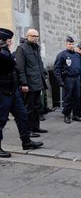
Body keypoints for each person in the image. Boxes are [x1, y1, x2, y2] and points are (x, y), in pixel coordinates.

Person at [0, 28, 43, 157]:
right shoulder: (4, 54)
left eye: (9, 41)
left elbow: (15, 69)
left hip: (13, 91)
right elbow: (8, 63)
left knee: (23, 115)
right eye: (8, 41)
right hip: (2, 93)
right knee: (0, 121)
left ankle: (26, 141)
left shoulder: (6, 52)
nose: (10, 44)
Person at [15, 29, 48, 134]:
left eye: (37, 36)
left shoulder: (36, 48)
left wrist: (44, 75)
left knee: (37, 107)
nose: (36, 38)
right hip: (29, 83)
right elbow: (20, 68)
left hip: (38, 82)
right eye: (33, 36)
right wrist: (24, 83)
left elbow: (39, 64)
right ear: (27, 36)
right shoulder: (22, 48)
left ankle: (35, 127)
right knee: (29, 108)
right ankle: (28, 130)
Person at [54, 36, 81, 124]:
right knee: (68, 98)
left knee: (76, 97)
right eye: (69, 44)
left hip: (77, 79)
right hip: (68, 79)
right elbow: (56, 69)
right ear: (66, 44)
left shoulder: (77, 55)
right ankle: (67, 115)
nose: (71, 45)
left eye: (72, 44)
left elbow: (79, 68)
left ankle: (75, 115)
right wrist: (60, 81)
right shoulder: (62, 55)